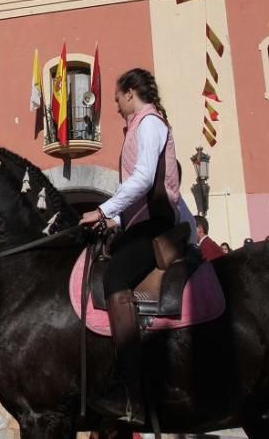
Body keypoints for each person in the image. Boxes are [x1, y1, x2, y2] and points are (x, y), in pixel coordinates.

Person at [80, 68, 181, 426]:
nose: (117, 106)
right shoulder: (139, 126)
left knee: (116, 279)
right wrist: (117, 221)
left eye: (118, 98)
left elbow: (142, 179)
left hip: (158, 225)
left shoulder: (150, 123)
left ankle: (131, 393)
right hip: (142, 222)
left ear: (130, 92)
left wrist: (104, 209)